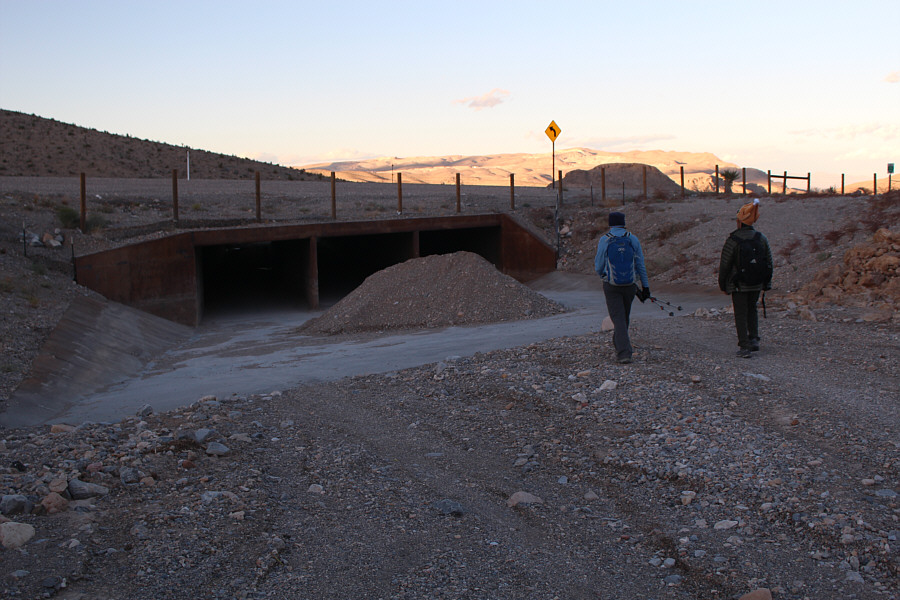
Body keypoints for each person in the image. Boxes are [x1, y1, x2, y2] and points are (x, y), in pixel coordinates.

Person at [718, 198, 774, 358]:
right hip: (757, 283)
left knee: (740, 313)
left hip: (739, 285)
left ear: (740, 221)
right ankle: (754, 339)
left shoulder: (733, 240)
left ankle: (744, 345)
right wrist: (766, 283)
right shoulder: (761, 238)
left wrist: (723, 285)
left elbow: (724, 266)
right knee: (752, 309)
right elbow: (769, 262)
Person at [594, 211, 650, 364]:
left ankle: (624, 353)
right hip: (630, 285)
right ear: (624, 222)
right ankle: (620, 345)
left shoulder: (605, 240)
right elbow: (640, 265)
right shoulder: (632, 239)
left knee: (618, 318)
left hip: (611, 285)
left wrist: (603, 276)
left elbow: (598, 265)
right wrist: (645, 286)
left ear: (610, 223)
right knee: (624, 317)